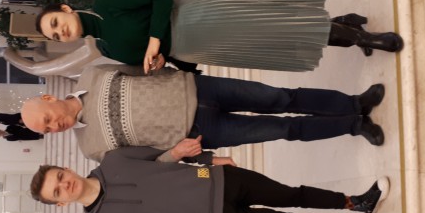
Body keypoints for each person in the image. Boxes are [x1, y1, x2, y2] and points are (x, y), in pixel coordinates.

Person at [29, 147, 397, 213]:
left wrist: (208, 159)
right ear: (60, 204)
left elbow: (168, 152)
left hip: (221, 180)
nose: (65, 185)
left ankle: (356, 202)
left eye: (60, 177)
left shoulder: (114, 159)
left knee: (292, 193)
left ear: (65, 168)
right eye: (57, 191)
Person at [21, 64, 387, 160]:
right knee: (283, 129)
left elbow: (140, 65)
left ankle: (354, 104)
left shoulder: (92, 73)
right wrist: (183, 156)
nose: (55, 126)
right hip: (201, 133)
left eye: (48, 119)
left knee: (281, 98)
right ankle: (354, 126)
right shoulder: (91, 148)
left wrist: (171, 67)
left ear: (49, 99)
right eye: (47, 130)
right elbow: (145, 161)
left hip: (199, 88)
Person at [34, 0, 403, 75]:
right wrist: (161, 60)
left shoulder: (107, 2)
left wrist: (154, 39)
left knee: (276, 26)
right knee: (277, 40)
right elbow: (159, 56)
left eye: (55, 23)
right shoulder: (107, 49)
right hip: (200, 47)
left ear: (65, 9)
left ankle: (364, 38)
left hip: (201, 16)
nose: (60, 32)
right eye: (55, 36)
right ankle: (348, 27)